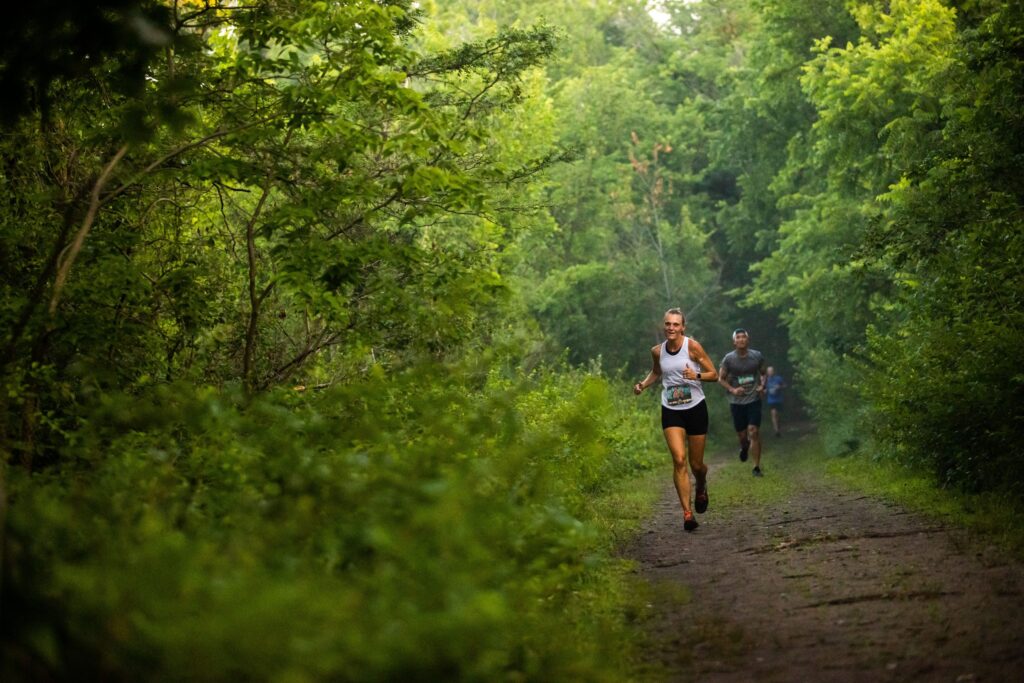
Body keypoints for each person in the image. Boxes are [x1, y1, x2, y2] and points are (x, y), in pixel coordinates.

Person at [634, 308, 719, 531]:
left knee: (696, 465)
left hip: (696, 407)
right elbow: (656, 372)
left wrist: (696, 375)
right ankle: (687, 514)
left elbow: (715, 375)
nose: (671, 328)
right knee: (679, 460)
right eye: (668, 324)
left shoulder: (692, 346)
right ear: (664, 326)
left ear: (683, 327)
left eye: (675, 324)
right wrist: (643, 384)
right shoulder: (657, 351)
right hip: (671, 408)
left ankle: (701, 484)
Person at [718, 328, 767, 476]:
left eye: (743, 337)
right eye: (738, 337)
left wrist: (762, 386)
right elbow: (721, 379)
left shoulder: (756, 356)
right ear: (734, 342)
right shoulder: (729, 359)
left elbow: (763, 373)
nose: (741, 339)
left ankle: (756, 467)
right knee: (742, 436)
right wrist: (733, 389)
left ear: (748, 339)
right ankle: (744, 447)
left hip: (753, 399)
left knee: (754, 431)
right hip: (736, 401)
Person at [765, 366, 785, 437]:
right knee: (773, 413)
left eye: (771, 371)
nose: (770, 372)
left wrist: (779, 387)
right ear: (767, 373)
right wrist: (764, 391)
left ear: (773, 371)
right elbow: (765, 389)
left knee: (778, 415)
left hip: (779, 400)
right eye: (769, 371)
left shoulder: (778, 378)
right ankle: (776, 430)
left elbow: (784, 385)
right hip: (771, 400)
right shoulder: (766, 380)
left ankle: (778, 428)